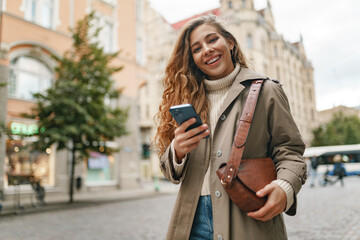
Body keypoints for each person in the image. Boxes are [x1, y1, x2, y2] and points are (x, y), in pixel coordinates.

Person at [154, 15, 307, 240]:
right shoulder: (187, 101)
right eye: (197, 48)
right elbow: (171, 173)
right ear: (193, 59)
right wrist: (177, 151)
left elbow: (290, 151)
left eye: (212, 40)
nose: (206, 50)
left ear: (230, 42)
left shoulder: (266, 90)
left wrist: (284, 186)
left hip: (247, 216)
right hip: (192, 222)